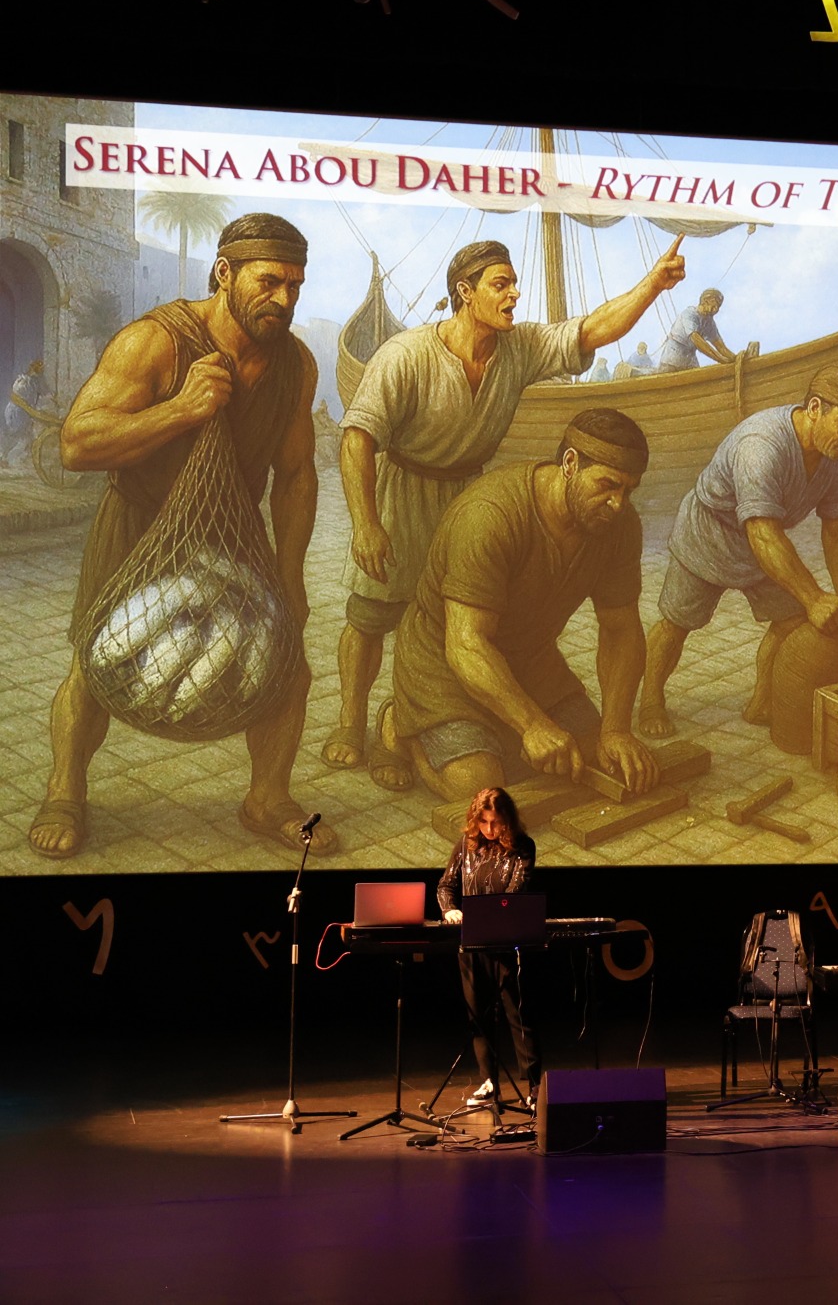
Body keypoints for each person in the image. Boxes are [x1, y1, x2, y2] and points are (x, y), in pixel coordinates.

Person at [325, 236, 686, 786]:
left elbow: (593, 329)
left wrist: (653, 286)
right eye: (501, 284)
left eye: (515, 283)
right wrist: (366, 523)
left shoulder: (520, 348)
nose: (514, 294)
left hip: (465, 492)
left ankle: (439, 716)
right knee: (371, 614)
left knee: (467, 617)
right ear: (465, 292)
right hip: (401, 491)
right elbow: (357, 438)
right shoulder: (405, 355)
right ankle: (355, 722)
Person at [29, 214, 329, 859]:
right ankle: (64, 791)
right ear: (223, 273)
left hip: (231, 533)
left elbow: (297, 473)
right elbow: (77, 444)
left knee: (288, 668)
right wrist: (181, 409)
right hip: (138, 523)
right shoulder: (155, 342)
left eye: (295, 286)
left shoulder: (295, 364)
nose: (284, 299)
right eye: (269, 281)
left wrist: (292, 576)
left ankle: (267, 797)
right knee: (94, 663)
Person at [380, 409, 662, 802]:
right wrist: (531, 725)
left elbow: (621, 630)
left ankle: (501, 733)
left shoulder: (618, 524)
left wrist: (615, 729)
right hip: (445, 663)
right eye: (608, 485)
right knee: (480, 787)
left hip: (529, 661)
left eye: (628, 491)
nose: (617, 503)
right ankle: (400, 726)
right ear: (570, 463)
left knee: (599, 757)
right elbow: (466, 645)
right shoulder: (488, 516)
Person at [637, 365, 838, 737]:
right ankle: (651, 700)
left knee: (793, 620)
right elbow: (761, 531)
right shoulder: (761, 443)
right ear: (815, 408)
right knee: (677, 622)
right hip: (711, 533)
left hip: (766, 540)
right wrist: (814, 598)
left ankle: (762, 702)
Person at [437, 786, 539, 1106]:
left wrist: (493, 916)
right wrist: (449, 910)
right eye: (483, 822)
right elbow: (446, 885)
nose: (489, 829)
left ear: (507, 819)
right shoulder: (465, 846)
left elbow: (517, 890)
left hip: (506, 943)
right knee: (478, 1014)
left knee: (518, 1014)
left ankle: (534, 1086)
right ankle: (489, 1081)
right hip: (471, 945)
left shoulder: (522, 847)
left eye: (496, 822)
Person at [658, 288, 734, 372]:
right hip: (672, 360)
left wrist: (735, 358)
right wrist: (721, 359)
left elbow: (720, 347)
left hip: (690, 360)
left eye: (718, 306)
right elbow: (698, 341)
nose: (716, 309)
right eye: (714, 305)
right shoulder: (689, 314)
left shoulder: (709, 322)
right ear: (704, 301)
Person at [4, 358, 48, 467]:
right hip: (18, 412)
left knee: (24, 437)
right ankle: (9, 460)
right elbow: (19, 398)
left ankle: (8, 458)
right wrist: (32, 411)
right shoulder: (24, 381)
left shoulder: (31, 381)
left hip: (20, 411)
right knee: (22, 437)